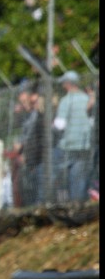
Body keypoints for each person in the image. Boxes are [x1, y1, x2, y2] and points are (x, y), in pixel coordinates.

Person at [53, 70, 92, 203]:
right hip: (84, 144)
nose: (63, 86)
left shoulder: (66, 100)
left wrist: (52, 127)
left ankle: (70, 208)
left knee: (66, 181)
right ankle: (80, 205)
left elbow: (60, 125)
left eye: (64, 83)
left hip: (68, 146)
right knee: (80, 179)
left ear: (68, 84)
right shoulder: (87, 99)